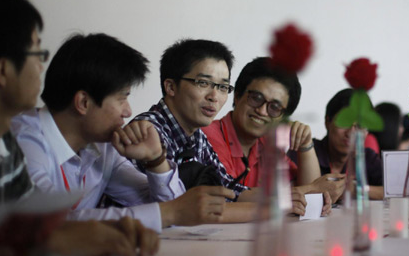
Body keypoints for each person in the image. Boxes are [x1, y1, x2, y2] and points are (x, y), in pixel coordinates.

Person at [0, 0, 155, 256]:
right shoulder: (9, 140)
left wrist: (103, 234)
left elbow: (29, 237)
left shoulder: (4, 148)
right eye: (37, 53)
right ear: (3, 70)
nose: (43, 67)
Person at [11, 33, 230, 233]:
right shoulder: (22, 142)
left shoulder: (103, 147)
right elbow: (51, 225)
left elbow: (164, 207)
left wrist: (156, 160)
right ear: (84, 102)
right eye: (122, 98)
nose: (128, 111)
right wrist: (171, 212)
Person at [132, 39, 308, 219]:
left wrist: (280, 198)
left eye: (223, 87)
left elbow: (229, 190)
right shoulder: (148, 131)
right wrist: (274, 207)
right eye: (203, 83)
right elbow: (178, 209)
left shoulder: (196, 135)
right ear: (171, 87)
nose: (214, 96)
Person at [203, 57, 320, 187]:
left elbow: (311, 195)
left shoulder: (266, 145)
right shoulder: (208, 135)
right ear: (237, 96)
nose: (262, 111)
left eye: (275, 107)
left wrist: (305, 145)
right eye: (256, 98)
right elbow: (229, 195)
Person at [289, 89, 384, 202]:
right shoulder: (305, 152)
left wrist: (355, 189)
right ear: (327, 122)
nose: (351, 132)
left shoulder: (367, 157)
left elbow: (391, 191)